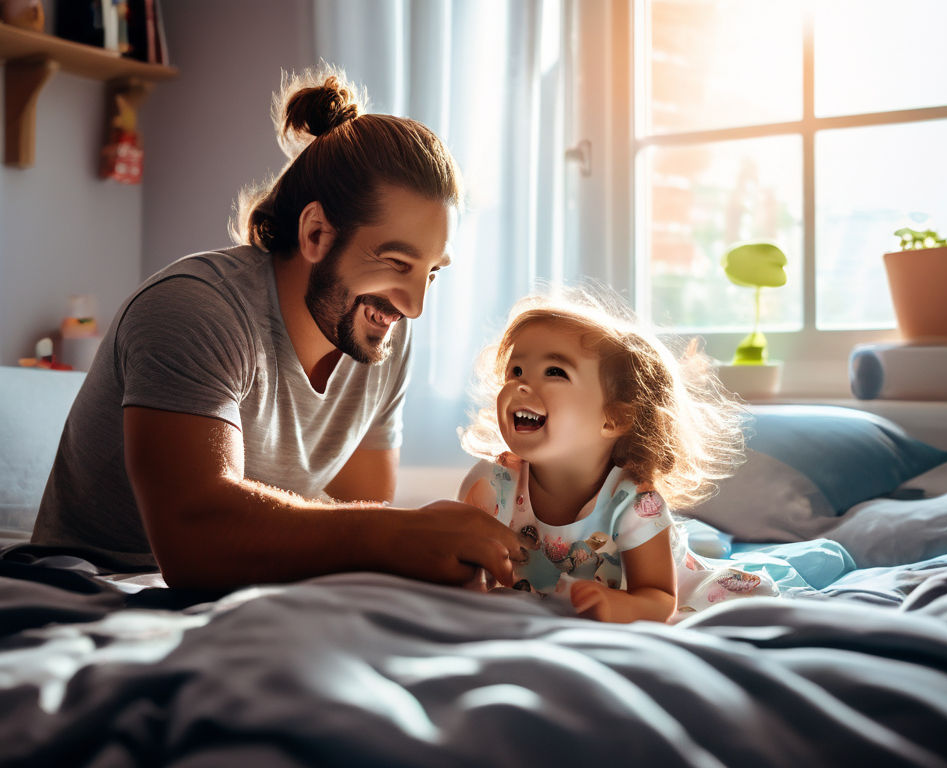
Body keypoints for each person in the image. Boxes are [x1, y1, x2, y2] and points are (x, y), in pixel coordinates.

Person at [29, 64, 528, 590]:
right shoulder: (194, 312)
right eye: (396, 263)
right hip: (100, 581)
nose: (415, 306)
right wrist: (401, 535)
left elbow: (355, 512)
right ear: (315, 233)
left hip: (253, 590)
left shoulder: (377, 337)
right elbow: (191, 544)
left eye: (431, 273)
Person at [457, 289, 776, 623]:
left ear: (614, 419)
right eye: (516, 371)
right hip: (536, 607)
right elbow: (463, 565)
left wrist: (617, 606)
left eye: (554, 372)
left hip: (660, 588)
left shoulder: (634, 504)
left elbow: (659, 598)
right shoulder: (491, 485)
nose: (520, 386)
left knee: (744, 604)